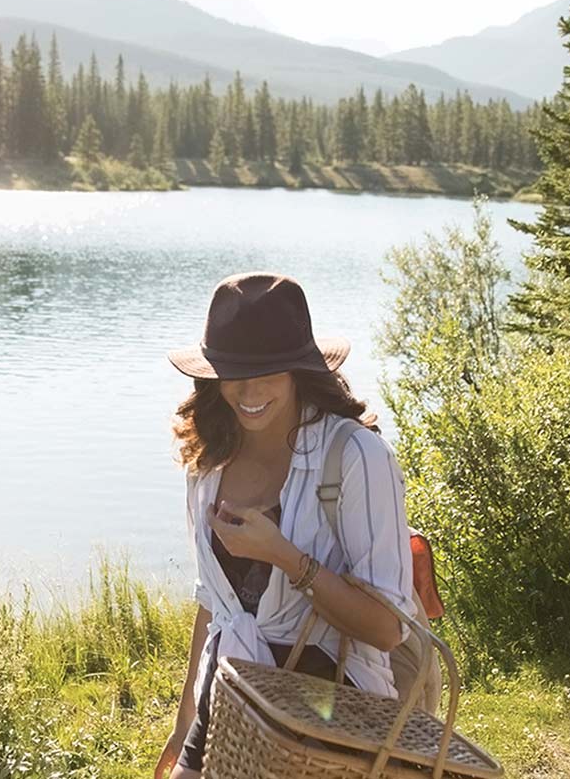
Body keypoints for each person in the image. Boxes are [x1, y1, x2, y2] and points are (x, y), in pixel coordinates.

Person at [155, 272, 414, 779]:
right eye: (232, 372)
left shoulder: (355, 456)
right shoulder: (209, 459)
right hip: (228, 697)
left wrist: (284, 557)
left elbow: (387, 629)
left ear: (299, 370)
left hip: (329, 715)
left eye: (267, 372)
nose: (247, 392)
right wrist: (185, 721)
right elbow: (214, 605)